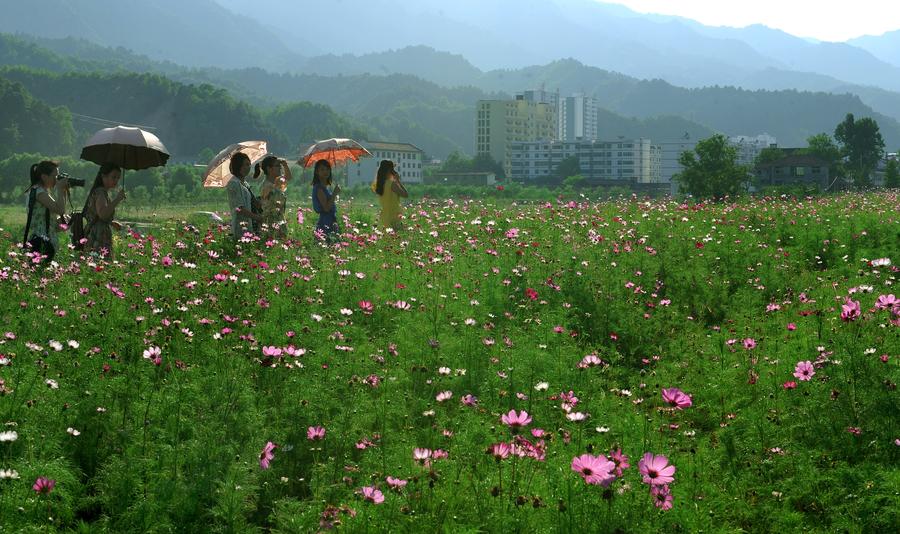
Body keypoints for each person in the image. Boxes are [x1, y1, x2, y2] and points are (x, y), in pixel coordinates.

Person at [23, 160, 69, 263]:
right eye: (55, 176)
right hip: (42, 241)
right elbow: (60, 210)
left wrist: (59, 221)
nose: (57, 180)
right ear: (44, 176)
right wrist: (60, 189)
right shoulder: (39, 192)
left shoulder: (40, 191)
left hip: (46, 240)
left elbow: (47, 217)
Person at [84, 163, 125, 258]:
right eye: (113, 177)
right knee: (100, 262)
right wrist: (118, 199)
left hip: (97, 231)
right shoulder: (100, 192)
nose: (116, 181)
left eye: (118, 178)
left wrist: (111, 222)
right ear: (103, 176)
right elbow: (102, 214)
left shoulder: (101, 192)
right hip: (98, 234)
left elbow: (99, 215)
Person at [226, 152, 262, 240]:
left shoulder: (244, 183)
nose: (248, 167)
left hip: (250, 224)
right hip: (241, 226)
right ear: (238, 166)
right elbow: (239, 208)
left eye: (249, 164)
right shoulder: (233, 183)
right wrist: (257, 217)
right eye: (245, 164)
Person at [255, 155, 293, 239]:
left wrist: (285, 165)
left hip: (279, 222)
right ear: (269, 169)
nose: (280, 168)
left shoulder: (276, 183)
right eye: (277, 166)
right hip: (270, 224)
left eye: (280, 166)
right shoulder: (266, 186)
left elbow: (289, 177)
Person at [372, 159, 408, 231]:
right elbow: (405, 194)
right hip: (394, 216)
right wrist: (398, 181)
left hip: (384, 216)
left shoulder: (378, 185)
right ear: (389, 170)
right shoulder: (391, 184)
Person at [311, 159, 340, 242]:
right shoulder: (319, 188)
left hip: (331, 220)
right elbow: (326, 208)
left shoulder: (325, 187)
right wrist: (334, 193)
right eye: (322, 169)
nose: (325, 172)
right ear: (317, 172)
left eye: (327, 169)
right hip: (325, 222)